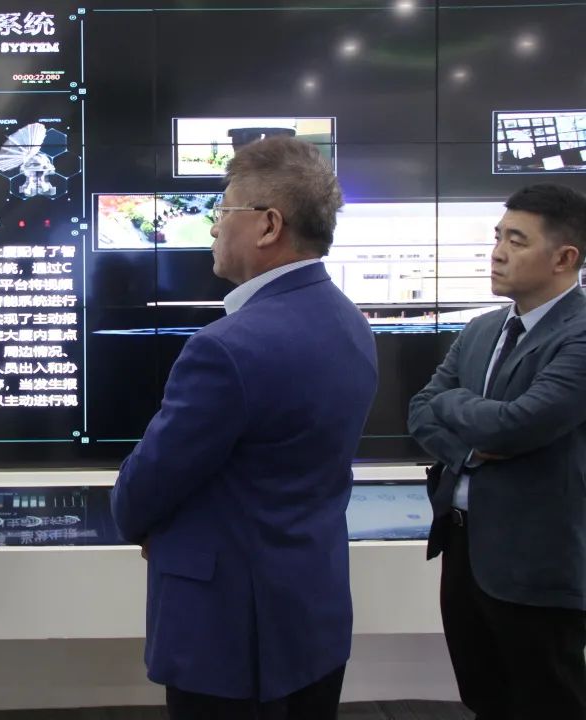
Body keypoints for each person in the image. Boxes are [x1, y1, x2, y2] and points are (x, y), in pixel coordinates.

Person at [110, 136, 378, 720]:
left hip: (230, 639)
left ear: (267, 225)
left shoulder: (227, 347)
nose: (212, 227)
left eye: (223, 209)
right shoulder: (350, 321)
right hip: (311, 619)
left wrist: (151, 526)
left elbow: (146, 486)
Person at [408, 183, 586, 720]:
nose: (497, 253)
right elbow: (420, 409)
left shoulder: (579, 335)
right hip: (464, 549)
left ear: (564, 258)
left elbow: (515, 427)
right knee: (483, 699)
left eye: (516, 240)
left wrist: (456, 404)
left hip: (537, 564)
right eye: (497, 236)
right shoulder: (483, 328)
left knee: (546, 703)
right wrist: (469, 450)